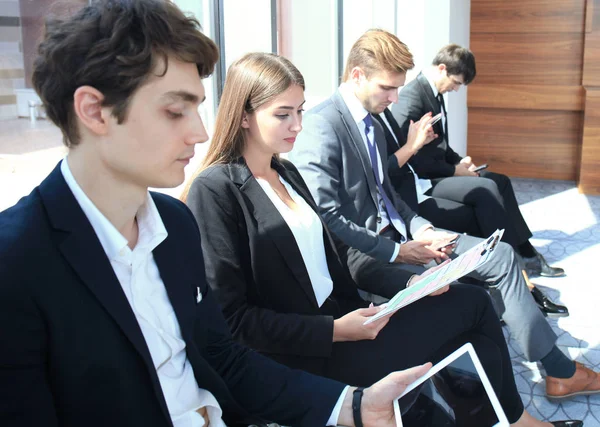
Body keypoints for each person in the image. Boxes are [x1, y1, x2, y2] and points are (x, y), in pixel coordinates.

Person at [0, 3, 441, 426]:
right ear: (94, 111)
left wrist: (351, 405)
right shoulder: (17, 262)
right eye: (175, 111)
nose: (200, 131)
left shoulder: (173, 224)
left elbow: (222, 354)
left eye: (196, 107)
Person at [182, 51, 578, 427]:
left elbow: (342, 255)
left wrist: (409, 283)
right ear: (245, 115)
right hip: (308, 351)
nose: (298, 125)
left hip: (349, 319)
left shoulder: (286, 173)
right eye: (283, 114)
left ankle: (507, 419)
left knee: (475, 322)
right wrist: (336, 330)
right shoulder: (216, 190)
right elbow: (234, 321)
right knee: (473, 320)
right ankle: (516, 420)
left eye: (300, 111)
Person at [288, 28, 600, 402]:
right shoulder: (322, 125)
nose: (395, 97)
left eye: (398, 88)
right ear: (357, 75)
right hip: (370, 255)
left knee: (499, 254)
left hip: (401, 236)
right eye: (388, 88)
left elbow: (386, 193)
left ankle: (556, 371)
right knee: (469, 295)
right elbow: (329, 217)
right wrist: (397, 252)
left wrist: (424, 228)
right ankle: (553, 374)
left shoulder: (368, 122)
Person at [373, 108, 569, 318]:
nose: (394, 97)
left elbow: (434, 150)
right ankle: (516, 284)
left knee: (488, 196)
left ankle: (514, 281)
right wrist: (416, 147)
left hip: (417, 186)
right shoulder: (395, 105)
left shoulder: (386, 110)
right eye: (389, 88)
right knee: (484, 201)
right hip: (409, 200)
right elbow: (385, 171)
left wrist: (452, 160)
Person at [390, 43, 563, 279]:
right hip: (425, 179)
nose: (457, 89)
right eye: (457, 83)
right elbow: (414, 158)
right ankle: (515, 263)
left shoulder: (433, 93)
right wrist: (455, 171)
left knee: (500, 181)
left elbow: (439, 145)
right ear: (442, 69)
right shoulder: (412, 98)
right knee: (486, 187)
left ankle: (525, 251)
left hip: (438, 170)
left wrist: (461, 162)